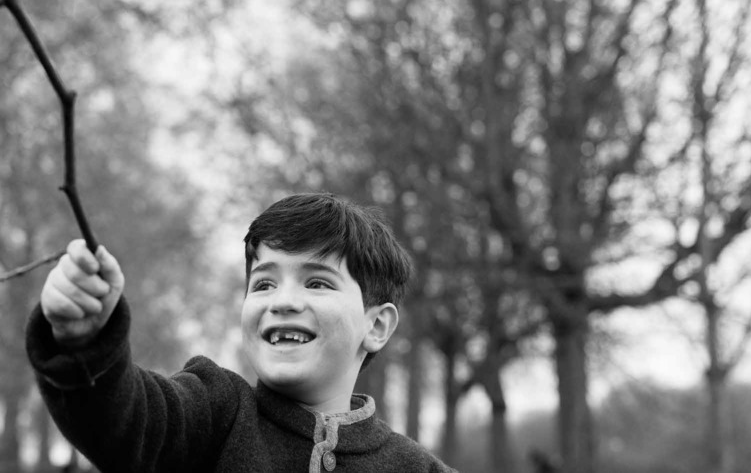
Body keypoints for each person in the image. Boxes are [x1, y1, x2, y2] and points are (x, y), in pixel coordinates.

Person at [26, 192, 458, 472]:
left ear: (377, 325)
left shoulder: (418, 468)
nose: (282, 301)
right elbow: (125, 419)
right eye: (264, 283)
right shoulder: (214, 413)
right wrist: (86, 341)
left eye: (317, 282)